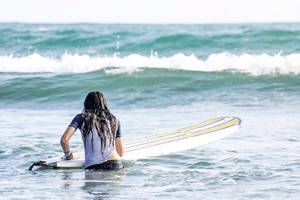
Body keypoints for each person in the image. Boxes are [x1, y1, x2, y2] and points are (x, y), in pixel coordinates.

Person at [60, 91, 124, 170]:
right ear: (104, 104)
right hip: (116, 163)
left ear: (86, 103)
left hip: (95, 166)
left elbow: (64, 140)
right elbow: (120, 153)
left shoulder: (81, 118)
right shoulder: (114, 119)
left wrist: (69, 156)